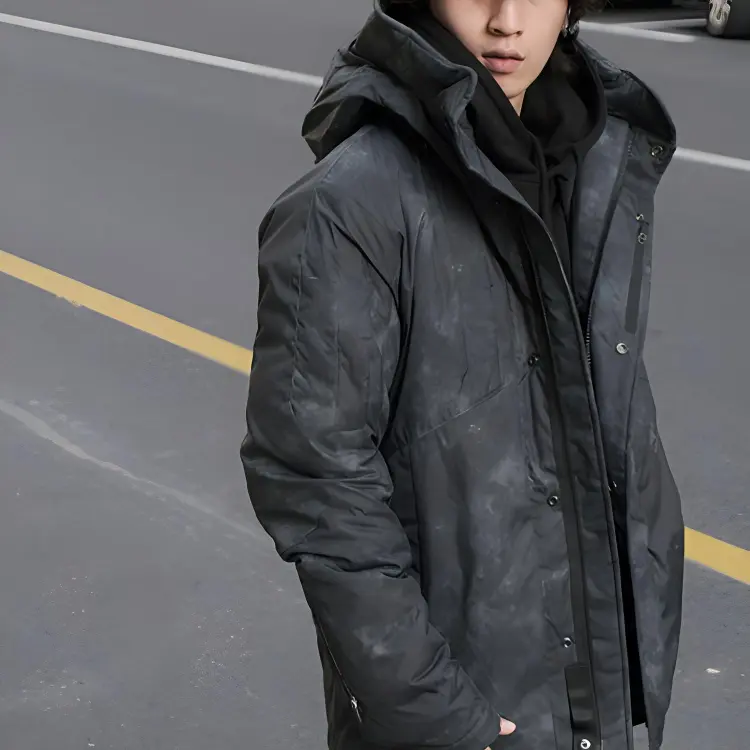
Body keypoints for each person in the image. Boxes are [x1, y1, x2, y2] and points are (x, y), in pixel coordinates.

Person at [241, 1, 685, 749]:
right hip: (462, 711)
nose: (507, 20)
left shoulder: (597, 160)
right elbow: (315, 479)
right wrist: (433, 712)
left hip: (589, 690)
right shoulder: (349, 204)